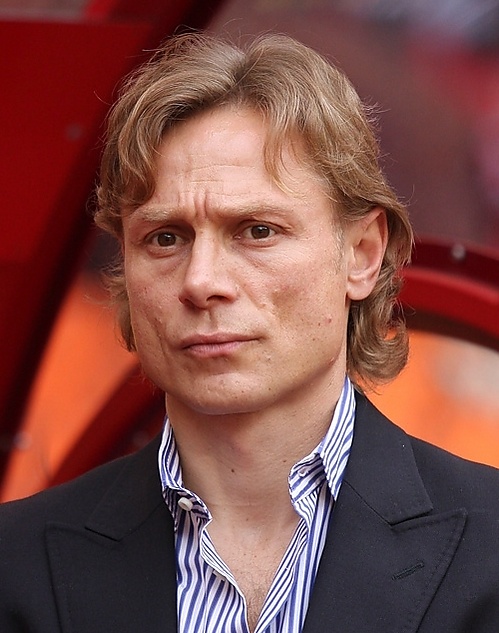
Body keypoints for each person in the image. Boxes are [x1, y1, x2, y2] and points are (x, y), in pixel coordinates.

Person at [1, 32, 498, 633]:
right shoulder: (17, 565)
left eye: (257, 231)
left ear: (363, 253)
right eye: (165, 238)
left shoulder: (489, 545)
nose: (201, 281)